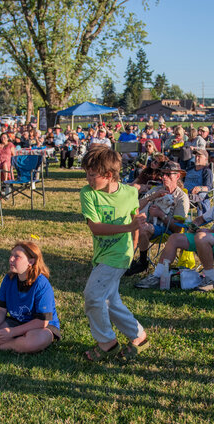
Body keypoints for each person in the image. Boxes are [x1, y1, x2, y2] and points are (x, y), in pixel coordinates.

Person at [80, 146, 149, 361]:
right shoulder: (88, 193)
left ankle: (107, 342)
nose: (88, 179)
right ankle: (139, 336)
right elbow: (96, 227)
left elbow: (135, 220)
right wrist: (129, 227)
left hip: (120, 255)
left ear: (109, 175)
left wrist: (134, 245)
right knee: (110, 300)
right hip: (102, 254)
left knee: (92, 297)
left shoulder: (129, 193)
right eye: (87, 174)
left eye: (93, 175)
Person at [136, 175, 214, 292]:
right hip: (211, 238)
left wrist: (210, 231)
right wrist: (194, 225)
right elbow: (202, 219)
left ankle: (210, 280)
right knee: (174, 238)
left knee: (201, 237)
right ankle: (157, 276)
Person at [0, 242, 62, 352]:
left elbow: (42, 322)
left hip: (39, 328)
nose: (11, 259)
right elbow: (0, 309)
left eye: (17, 256)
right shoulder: (9, 279)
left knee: (37, 339)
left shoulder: (41, 284)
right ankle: (17, 344)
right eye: (11, 255)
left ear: (31, 261)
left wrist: (12, 332)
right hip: (15, 322)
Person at [125, 161, 189, 276]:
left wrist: (161, 214)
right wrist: (152, 197)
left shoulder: (181, 197)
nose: (164, 177)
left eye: (168, 174)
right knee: (132, 224)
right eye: (163, 174)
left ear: (177, 176)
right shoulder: (156, 190)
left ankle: (142, 262)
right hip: (148, 225)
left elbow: (178, 228)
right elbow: (135, 207)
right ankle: (128, 260)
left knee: (142, 228)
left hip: (166, 229)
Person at [184, 148, 214, 216]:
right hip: (183, 193)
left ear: (206, 159)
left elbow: (208, 187)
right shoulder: (189, 169)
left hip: (195, 196)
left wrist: (199, 188)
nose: (196, 158)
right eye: (196, 156)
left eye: (199, 156)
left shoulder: (206, 171)